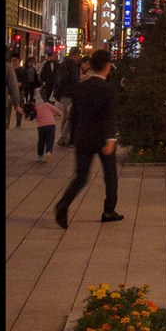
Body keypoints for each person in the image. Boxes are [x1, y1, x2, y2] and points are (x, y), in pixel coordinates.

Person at [52, 48, 123, 229]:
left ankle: (63, 205)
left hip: (83, 136)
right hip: (102, 138)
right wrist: (110, 139)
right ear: (107, 66)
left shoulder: (81, 87)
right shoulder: (108, 89)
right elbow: (109, 116)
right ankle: (108, 211)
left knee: (81, 177)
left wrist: (73, 137)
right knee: (110, 176)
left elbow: (74, 114)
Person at [53, 48, 82, 146]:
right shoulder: (72, 64)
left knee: (65, 116)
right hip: (70, 93)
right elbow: (75, 80)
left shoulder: (63, 63)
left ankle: (63, 137)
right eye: (79, 54)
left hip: (63, 93)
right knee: (71, 117)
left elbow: (58, 80)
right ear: (76, 54)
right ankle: (63, 138)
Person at [34, 95, 57, 159]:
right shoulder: (46, 104)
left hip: (41, 126)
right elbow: (55, 109)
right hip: (51, 124)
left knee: (41, 141)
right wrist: (59, 113)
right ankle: (48, 151)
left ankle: (40, 156)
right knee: (50, 139)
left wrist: (17, 108)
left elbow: (24, 111)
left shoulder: (34, 108)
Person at [6, 51, 22, 129]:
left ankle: (18, 123)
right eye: (13, 60)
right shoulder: (8, 67)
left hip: (18, 92)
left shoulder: (22, 70)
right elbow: (13, 86)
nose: (14, 62)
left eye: (16, 60)